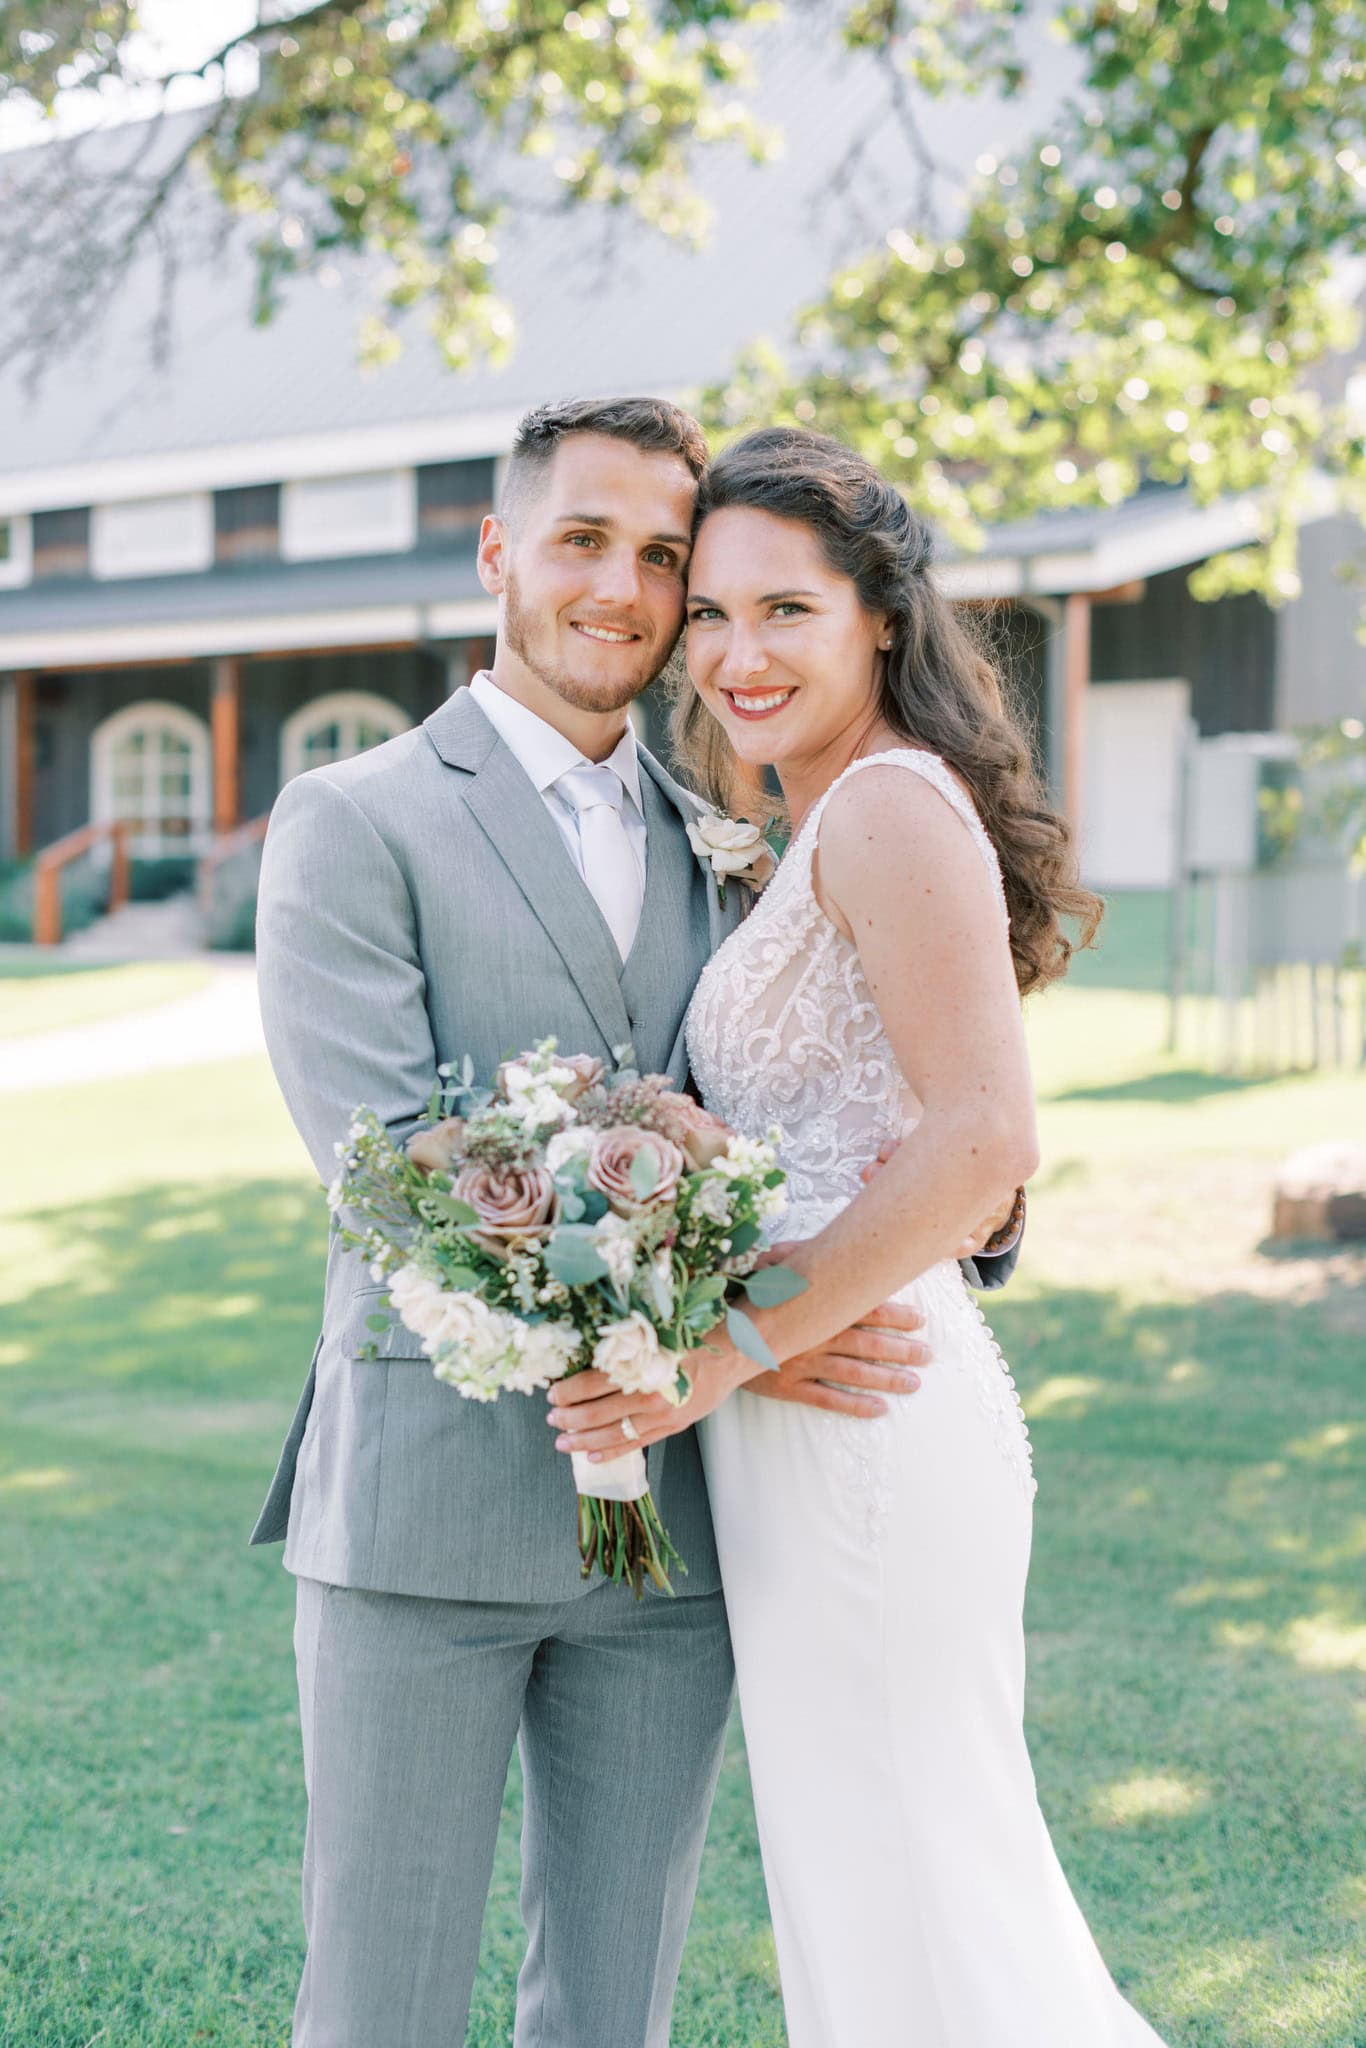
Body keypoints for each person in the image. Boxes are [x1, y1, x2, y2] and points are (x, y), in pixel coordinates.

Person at [250, 396, 1021, 2047]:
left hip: (676, 1536)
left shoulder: (729, 834)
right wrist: (725, 1333)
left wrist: (790, 1324)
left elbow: (889, 1098)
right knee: (377, 2004)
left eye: (661, 555)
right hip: (426, 1521)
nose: (623, 586)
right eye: (582, 539)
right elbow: (391, 1170)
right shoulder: (354, 817)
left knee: (613, 2013)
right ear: (498, 553)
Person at [551, 427, 1174, 2046]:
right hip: (801, 1426)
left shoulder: (889, 804)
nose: (736, 656)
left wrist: (723, 1349)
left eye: (785, 613)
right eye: (711, 619)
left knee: (932, 1884)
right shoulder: (817, 816)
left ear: (878, 619)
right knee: (867, 1891)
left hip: (867, 1435)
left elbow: (986, 1139)